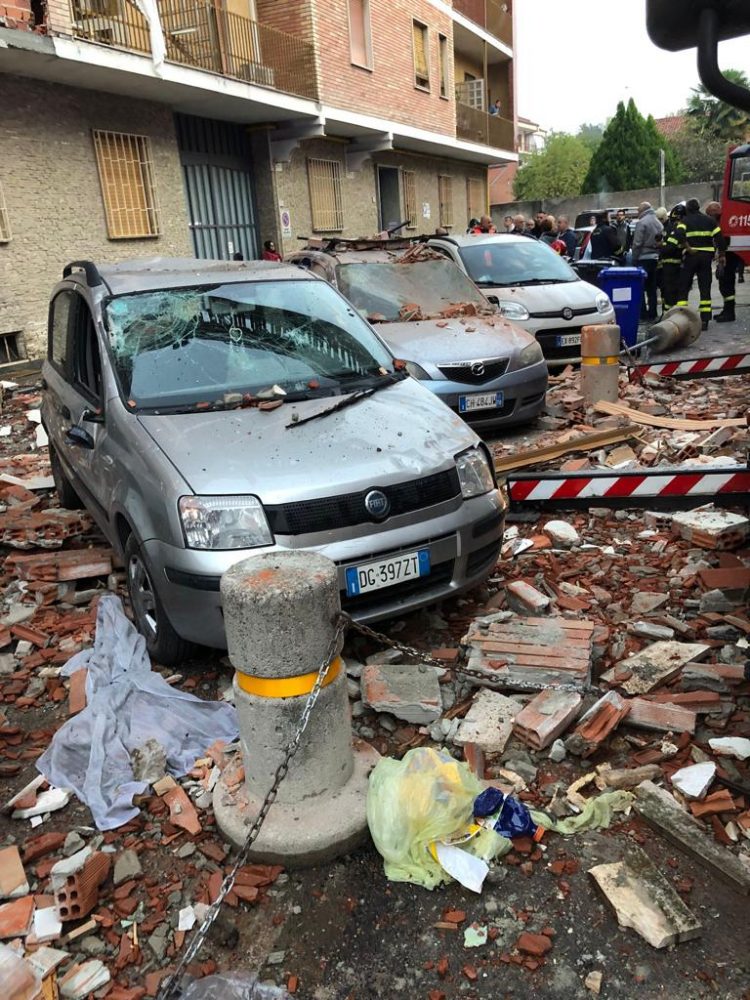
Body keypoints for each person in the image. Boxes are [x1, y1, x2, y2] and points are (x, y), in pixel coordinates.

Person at [676, 198, 723, 330]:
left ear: (688, 209)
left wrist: (688, 248)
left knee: (684, 287)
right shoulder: (710, 221)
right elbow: (720, 238)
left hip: (691, 257)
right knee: (705, 288)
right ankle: (705, 320)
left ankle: (682, 318)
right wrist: (722, 255)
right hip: (706, 258)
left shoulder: (684, 221)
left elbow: (679, 234)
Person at [706, 201, 739, 323]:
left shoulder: (722, 223)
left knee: (726, 285)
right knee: (725, 284)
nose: (709, 216)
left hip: (727, 257)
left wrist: (721, 257)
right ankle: (727, 310)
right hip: (727, 256)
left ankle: (729, 312)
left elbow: (722, 242)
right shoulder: (720, 221)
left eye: (709, 213)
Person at [631, 201, 663, 320]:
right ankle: (653, 313)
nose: (638, 213)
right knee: (652, 288)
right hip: (655, 258)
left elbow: (637, 243)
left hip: (643, 259)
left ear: (643, 211)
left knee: (640, 287)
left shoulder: (642, 223)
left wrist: (634, 259)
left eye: (638, 211)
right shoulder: (658, 223)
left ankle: (643, 314)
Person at [659, 203, 686, 314]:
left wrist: (661, 246)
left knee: (670, 292)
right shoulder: (678, 227)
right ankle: (673, 314)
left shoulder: (676, 229)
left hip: (671, 265)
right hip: (677, 265)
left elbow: (669, 248)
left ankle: (669, 315)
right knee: (672, 291)